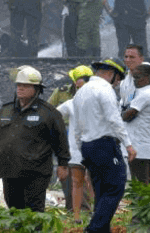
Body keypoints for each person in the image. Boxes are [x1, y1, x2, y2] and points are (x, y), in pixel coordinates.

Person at [0, 66, 70, 212]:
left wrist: (63, 165)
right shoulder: (5, 110)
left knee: (34, 210)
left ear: (37, 89)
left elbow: (60, 141)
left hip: (36, 172)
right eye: (19, 85)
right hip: (9, 170)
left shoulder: (48, 113)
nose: (20, 88)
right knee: (14, 208)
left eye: (25, 86)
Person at [73, 58, 136, 233]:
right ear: (110, 74)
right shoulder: (105, 90)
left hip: (87, 145)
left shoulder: (81, 92)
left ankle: (102, 230)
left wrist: (82, 149)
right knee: (116, 185)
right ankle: (94, 229)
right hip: (104, 144)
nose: (117, 84)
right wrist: (128, 145)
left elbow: (76, 126)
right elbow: (114, 119)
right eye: (118, 80)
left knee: (101, 189)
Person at [53, 65, 95, 221]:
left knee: (83, 181)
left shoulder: (73, 102)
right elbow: (53, 115)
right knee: (80, 180)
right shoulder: (71, 102)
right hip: (79, 147)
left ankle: (84, 212)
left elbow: (52, 115)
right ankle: (80, 212)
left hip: (81, 147)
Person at [121, 63, 150, 188]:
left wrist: (121, 111)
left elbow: (127, 116)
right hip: (143, 146)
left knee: (141, 185)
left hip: (141, 147)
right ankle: (146, 207)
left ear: (146, 77)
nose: (134, 80)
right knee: (145, 183)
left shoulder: (145, 94)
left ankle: (142, 207)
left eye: (137, 77)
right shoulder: (144, 92)